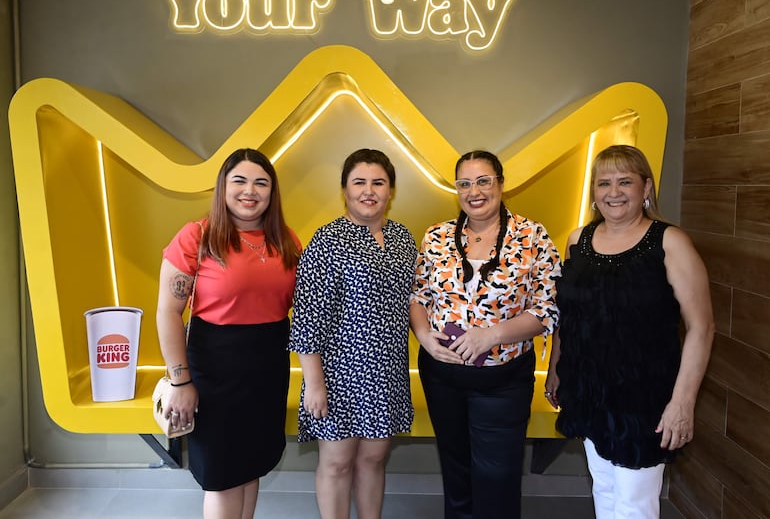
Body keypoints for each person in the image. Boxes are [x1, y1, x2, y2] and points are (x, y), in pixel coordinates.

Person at [545, 144, 715, 519]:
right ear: (594, 192)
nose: (614, 192)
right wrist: (558, 368)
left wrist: (682, 403)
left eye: (625, 181)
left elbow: (702, 328)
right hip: (589, 389)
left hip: (645, 398)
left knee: (634, 504)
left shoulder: (670, 243)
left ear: (646, 188)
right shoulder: (578, 241)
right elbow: (569, 314)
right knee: (604, 488)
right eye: (604, 183)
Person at [410, 150, 561, 519]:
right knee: (456, 470)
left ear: (500, 184)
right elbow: (417, 296)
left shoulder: (533, 235)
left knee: (498, 476)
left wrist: (491, 335)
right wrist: (425, 337)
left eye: (483, 181)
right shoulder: (437, 235)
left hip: (503, 379)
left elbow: (547, 309)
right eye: (464, 183)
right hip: (442, 375)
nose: (474, 191)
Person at [156, 148, 301, 519]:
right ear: (223, 187)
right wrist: (180, 382)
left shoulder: (286, 240)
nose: (249, 190)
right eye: (239, 180)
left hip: (267, 368)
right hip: (212, 370)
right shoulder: (196, 236)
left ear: (272, 192)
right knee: (221, 478)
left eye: (260, 182)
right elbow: (169, 313)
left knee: (250, 467)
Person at [288, 148, 417, 519]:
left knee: (375, 458)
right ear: (344, 189)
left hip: (388, 370)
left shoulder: (402, 239)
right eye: (359, 182)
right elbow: (308, 318)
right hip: (337, 374)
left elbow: (413, 301)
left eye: (378, 182)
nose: (368, 190)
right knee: (337, 461)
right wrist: (314, 383)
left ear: (390, 190)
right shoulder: (327, 241)